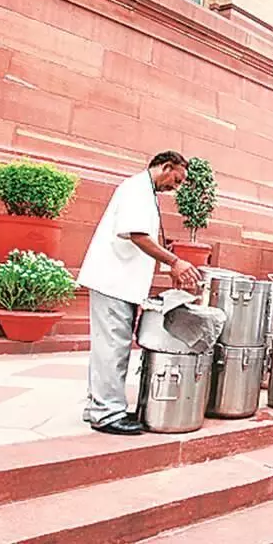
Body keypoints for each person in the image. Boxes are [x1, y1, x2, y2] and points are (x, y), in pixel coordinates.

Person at [78, 151, 202, 436]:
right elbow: (137, 235)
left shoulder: (144, 192)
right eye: (176, 179)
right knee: (113, 347)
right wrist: (174, 262)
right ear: (165, 166)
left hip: (119, 283)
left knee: (109, 346)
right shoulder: (136, 189)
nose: (176, 187)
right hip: (113, 281)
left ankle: (99, 406)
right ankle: (107, 413)